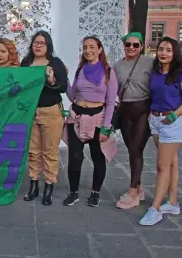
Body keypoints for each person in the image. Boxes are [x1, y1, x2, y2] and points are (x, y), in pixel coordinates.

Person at [139, 37, 182, 226]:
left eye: (168, 50)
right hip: (156, 120)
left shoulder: (181, 75)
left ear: (175, 53)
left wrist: (174, 115)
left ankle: (154, 209)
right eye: (161, 49)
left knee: (162, 165)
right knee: (172, 162)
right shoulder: (155, 73)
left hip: (173, 121)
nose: (163, 53)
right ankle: (172, 202)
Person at [62, 36, 118, 208]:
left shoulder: (109, 72)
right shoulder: (80, 70)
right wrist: (64, 78)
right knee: (74, 157)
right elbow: (72, 96)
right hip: (77, 115)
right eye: (85, 47)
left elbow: (110, 103)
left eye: (92, 47)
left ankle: (95, 193)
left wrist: (106, 127)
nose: (88, 50)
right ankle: (74, 193)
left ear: (100, 49)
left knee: (97, 157)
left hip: (97, 118)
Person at [20, 31, 68, 206]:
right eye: (35, 42)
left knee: (49, 151)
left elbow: (63, 87)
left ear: (48, 46)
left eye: (42, 43)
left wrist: (52, 79)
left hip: (51, 112)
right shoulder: (25, 64)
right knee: (33, 151)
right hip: (31, 112)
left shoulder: (55, 63)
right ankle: (34, 185)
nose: (38, 45)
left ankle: (49, 186)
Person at [113, 32, 154, 209]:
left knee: (136, 148)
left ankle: (132, 192)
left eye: (135, 45)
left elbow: (158, 85)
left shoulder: (149, 63)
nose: (131, 48)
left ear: (141, 47)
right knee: (132, 150)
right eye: (128, 44)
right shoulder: (118, 65)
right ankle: (138, 187)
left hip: (143, 111)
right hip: (125, 111)